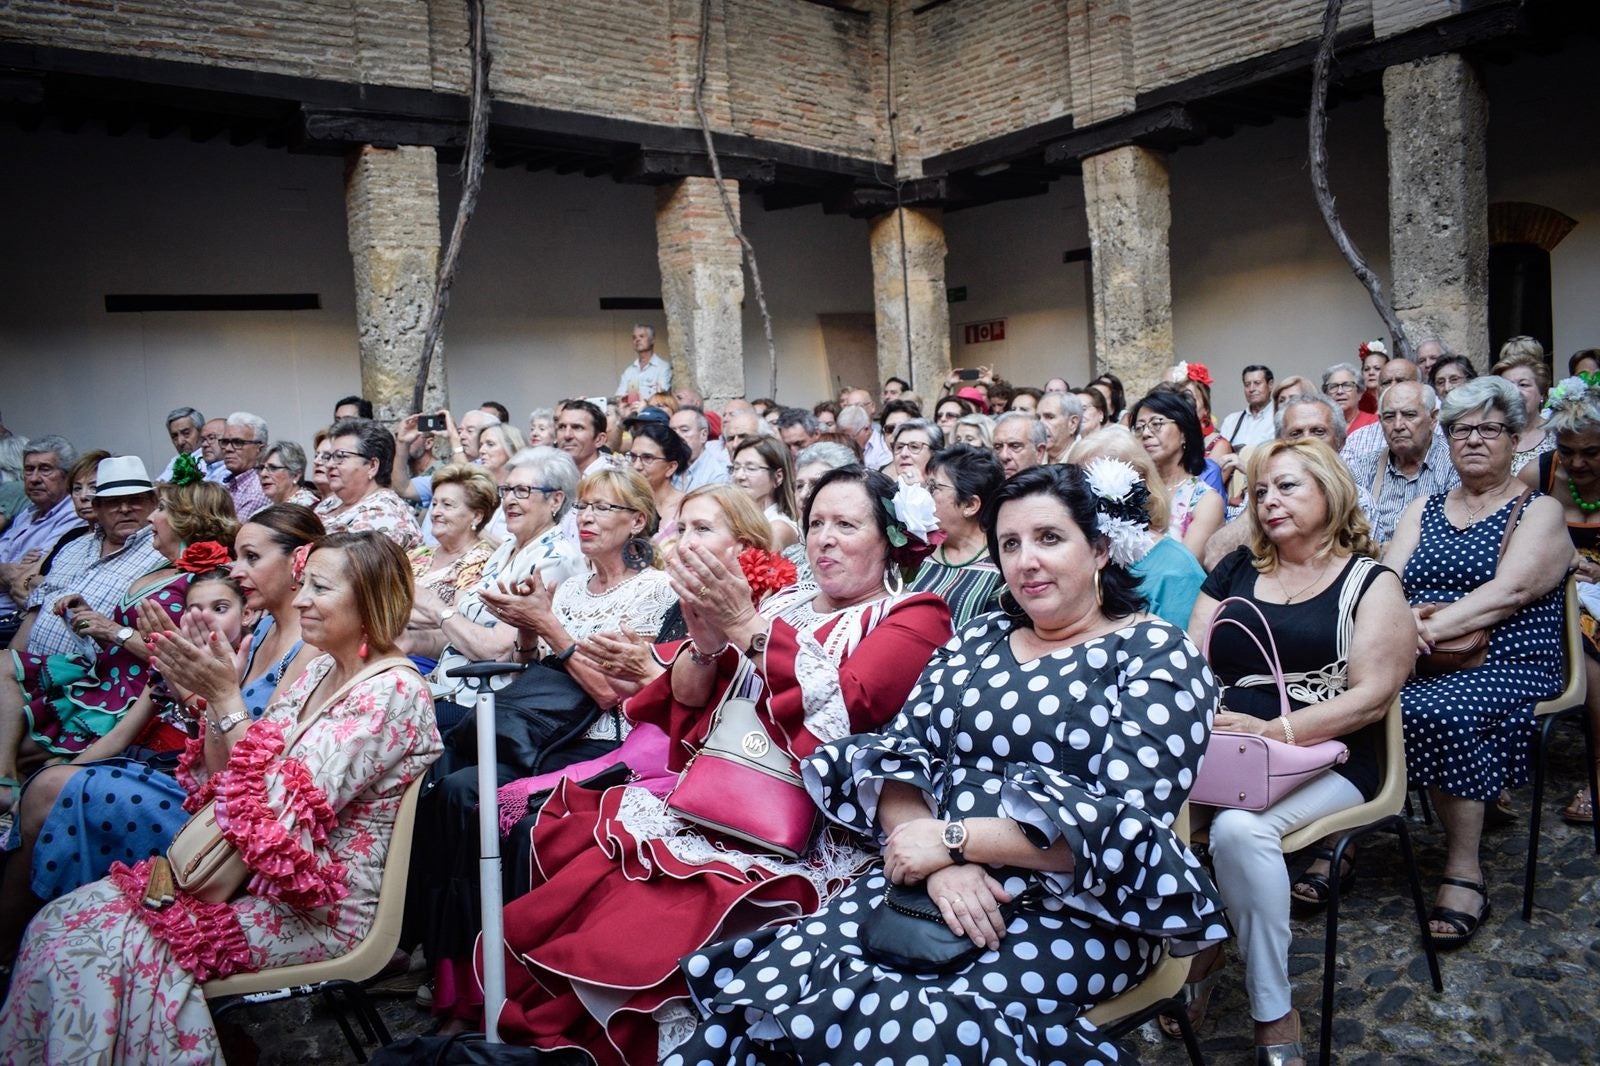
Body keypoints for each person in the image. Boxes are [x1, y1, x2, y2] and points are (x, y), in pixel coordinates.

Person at [673, 463, 1227, 1065]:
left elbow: (1126, 829)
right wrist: (933, 857)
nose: (1026, 562)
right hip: (927, 885)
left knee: (912, 1025)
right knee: (788, 988)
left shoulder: (1154, 654)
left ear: (1098, 549)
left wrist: (955, 841)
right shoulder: (982, 637)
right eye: (1009, 544)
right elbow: (894, 754)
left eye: (1048, 538)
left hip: (1077, 905)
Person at [488, 466, 952, 1063]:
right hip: (717, 798)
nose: (825, 539)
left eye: (847, 524)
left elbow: (848, 713)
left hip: (813, 832)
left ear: (889, 539)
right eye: (815, 525)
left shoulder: (912, 613)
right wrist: (706, 642)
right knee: (594, 879)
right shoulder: (784, 601)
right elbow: (690, 701)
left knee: (656, 926)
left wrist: (743, 624)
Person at [0, 531, 440, 1061]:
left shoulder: (390, 692)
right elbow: (226, 779)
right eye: (303, 585)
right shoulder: (323, 667)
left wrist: (227, 697)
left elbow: (272, 825)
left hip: (320, 912)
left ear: (370, 598)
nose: (300, 601)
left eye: (319, 588)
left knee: (81, 946)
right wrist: (214, 700)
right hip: (251, 880)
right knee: (60, 921)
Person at [407, 466, 676, 1023]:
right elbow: (541, 669)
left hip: (603, 743)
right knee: (443, 784)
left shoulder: (654, 591)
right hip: (545, 733)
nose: (588, 518)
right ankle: (451, 966)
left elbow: (614, 697)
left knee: (468, 795)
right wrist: (529, 629)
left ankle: (498, 975)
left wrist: (548, 627)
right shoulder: (574, 585)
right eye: (583, 506)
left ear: (638, 522)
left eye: (604, 508)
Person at [1183, 438, 1413, 1060]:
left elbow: (1371, 697)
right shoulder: (1236, 572)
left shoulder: (1371, 582)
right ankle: (1195, 946)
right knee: (1137, 810)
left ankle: (1273, 1013)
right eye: (1260, 491)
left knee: (1237, 833)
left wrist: (1275, 732)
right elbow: (1188, 661)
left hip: (1330, 755)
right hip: (1224, 753)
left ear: (1330, 492)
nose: (1269, 501)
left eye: (1287, 486)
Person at [1386, 375, 1568, 946]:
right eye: (1462, 429)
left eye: (1489, 428)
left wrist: (1411, 633)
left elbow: (1507, 594)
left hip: (1512, 658)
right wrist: (1396, 624)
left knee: (1439, 711)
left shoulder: (1539, 512)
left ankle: (1464, 869)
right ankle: (1329, 849)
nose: (1474, 439)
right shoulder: (1424, 506)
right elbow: (1387, 579)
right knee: (1353, 696)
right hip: (1423, 654)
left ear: (1516, 439)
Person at [0, 464, 237, 804]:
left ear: (185, 519)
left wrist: (115, 630)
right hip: (104, 676)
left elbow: (179, 658)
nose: (151, 517)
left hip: (132, 695)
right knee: (22, 747)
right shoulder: (162, 566)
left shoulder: (200, 582)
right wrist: (91, 619)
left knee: (37, 763)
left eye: (159, 508)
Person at [1520, 374, 1600, 823]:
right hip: (1554, 589)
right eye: (1568, 451)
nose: (1578, 463)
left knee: (1587, 644)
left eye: (1591, 452)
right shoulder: (1542, 471)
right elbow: (1503, 528)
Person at [1074, 426, 1204, 627]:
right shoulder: (1073, 556)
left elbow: (1182, 651)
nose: (1084, 499)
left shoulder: (1176, 570)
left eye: (1095, 486)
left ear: (1138, 484)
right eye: (1078, 486)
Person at [1345, 380, 1460, 548]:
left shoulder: (1454, 463)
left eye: (1409, 415)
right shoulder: (1364, 469)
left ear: (1433, 419)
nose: (1398, 426)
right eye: (1389, 417)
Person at [402, 465, 500, 662]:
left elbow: (457, 619)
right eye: (435, 504)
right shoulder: (418, 553)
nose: (436, 512)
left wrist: (396, 616)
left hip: (433, 658)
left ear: (477, 516)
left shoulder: (482, 560)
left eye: (447, 505)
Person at [910, 443, 1005, 627]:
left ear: (970, 505)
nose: (924, 495)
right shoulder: (916, 549)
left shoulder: (1001, 568)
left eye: (933, 488)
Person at [1129, 390, 1224, 558]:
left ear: (1184, 434)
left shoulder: (1205, 500)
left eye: (1157, 424)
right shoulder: (1128, 490)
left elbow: (1182, 568)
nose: (1145, 433)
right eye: (1139, 427)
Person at [0, 436, 85, 622]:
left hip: (14, 619)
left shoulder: (75, 515)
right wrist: (5, 571)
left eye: (45, 469)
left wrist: (11, 572)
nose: (34, 479)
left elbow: (27, 580)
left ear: (67, 476)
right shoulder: (27, 513)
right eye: (29, 470)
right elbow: (12, 571)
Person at [314, 418, 422, 550]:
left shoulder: (383, 515)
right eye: (329, 457)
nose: (329, 465)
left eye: (340, 456)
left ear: (372, 466)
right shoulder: (331, 502)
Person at [730, 436, 801, 551]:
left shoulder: (778, 528)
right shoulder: (734, 519)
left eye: (751, 468)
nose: (739, 476)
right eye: (736, 468)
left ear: (778, 477)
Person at [622, 419, 690, 539]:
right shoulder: (621, 503)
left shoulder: (687, 508)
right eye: (633, 457)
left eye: (647, 458)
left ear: (671, 467)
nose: (636, 466)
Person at [1492, 347, 1555, 475]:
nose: (1515, 392)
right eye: (1508, 386)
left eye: (1523, 384)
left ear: (1542, 393)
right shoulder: (1489, 434)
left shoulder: (1557, 435)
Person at [218, 412, 271, 521]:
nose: (228, 449)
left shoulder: (258, 490)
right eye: (225, 442)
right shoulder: (230, 482)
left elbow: (233, 535)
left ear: (259, 449)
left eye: (238, 442)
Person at [616, 322, 672, 401]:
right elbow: (619, 398)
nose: (637, 339)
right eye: (634, 337)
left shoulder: (663, 367)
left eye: (641, 336)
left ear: (652, 340)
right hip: (632, 411)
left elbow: (662, 397)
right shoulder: (629, 371)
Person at [256, 441, 318, 506]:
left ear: (295, 475)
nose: (263, 474)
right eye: (261, 468)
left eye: (273, 468)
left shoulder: (305, 508)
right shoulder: (270, 507)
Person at [1323, 362, 1376, 435]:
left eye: (1347, 385)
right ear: (1326, 394)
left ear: (1359, 393)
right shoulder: (1321, 425)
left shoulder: (1375, 423)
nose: (1340, 391)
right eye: (1333, 386)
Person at [156, 407, 207, 484]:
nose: (180, 442)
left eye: (186, 433)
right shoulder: (176, 460)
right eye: (174, 436)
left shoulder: (209, 460)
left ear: (202, 431)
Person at [992, 411, 1047, 479]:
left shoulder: (1056, 488)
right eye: (998, 447)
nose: (1003, 456)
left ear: (1039, 452)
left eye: (1015, 446)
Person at [889, 417, 942, 485]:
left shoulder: (948, 492)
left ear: (935, 454)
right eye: (899, 447)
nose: (903, 454)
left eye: (914, 447)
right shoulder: (885, 493)